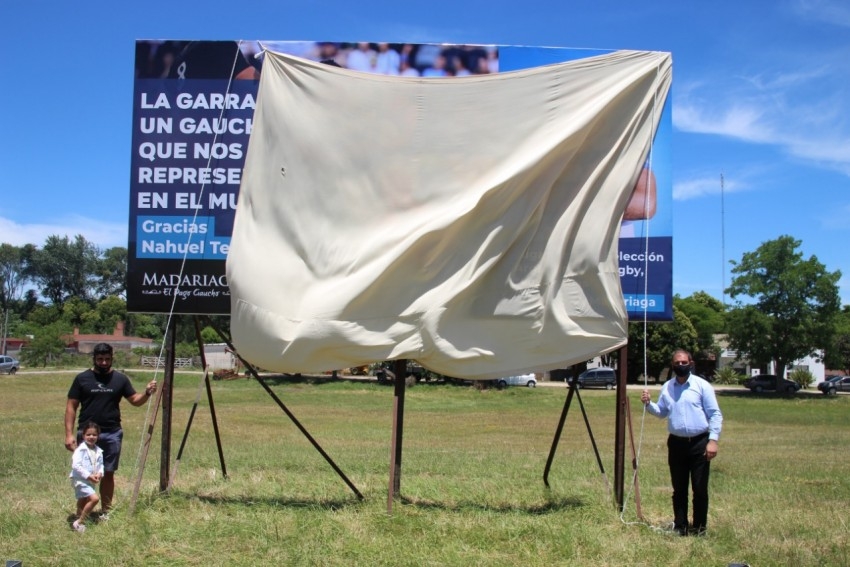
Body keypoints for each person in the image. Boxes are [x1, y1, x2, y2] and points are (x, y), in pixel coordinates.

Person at [64, 343, 157, 517]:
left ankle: (105, 511)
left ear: (112, 358)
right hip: (87, 434)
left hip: (112, 433)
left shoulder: (120, 379)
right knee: (85, 474)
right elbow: (71, 407)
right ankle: (82, 514)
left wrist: (146, 393)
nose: (104, 362)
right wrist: (69, 434)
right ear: (94, 358)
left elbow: (135, 400)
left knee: (108, 472)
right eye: (100, 359)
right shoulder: (82, 378)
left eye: (107, 359)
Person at [641, 349, 722, 536]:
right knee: (679, 489)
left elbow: (715, 414)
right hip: (676, 444)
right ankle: (680, 526)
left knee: (699, 488)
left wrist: (713, 440)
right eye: (677, 363)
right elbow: (662, 412)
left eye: (684, 362)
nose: (681, 365)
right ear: (672, 365)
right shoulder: (667, 387)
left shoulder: (702, 386)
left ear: (691, 363)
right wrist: (649, 404)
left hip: (699, 443)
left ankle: (699, 528)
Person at [69, 421, 104, 532]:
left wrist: (99, 473)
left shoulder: (98, 450)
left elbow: (101, 465)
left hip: (90, 480)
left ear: (98, 436)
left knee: (83, 499)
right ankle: (79, 522)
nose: (91, 437)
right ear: (83, 435)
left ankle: (78, 515)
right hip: (80, 479)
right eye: (88, 434)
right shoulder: (80, 450)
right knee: (94, 499)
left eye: (94, 435)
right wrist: (88, 476)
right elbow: (76, 465)